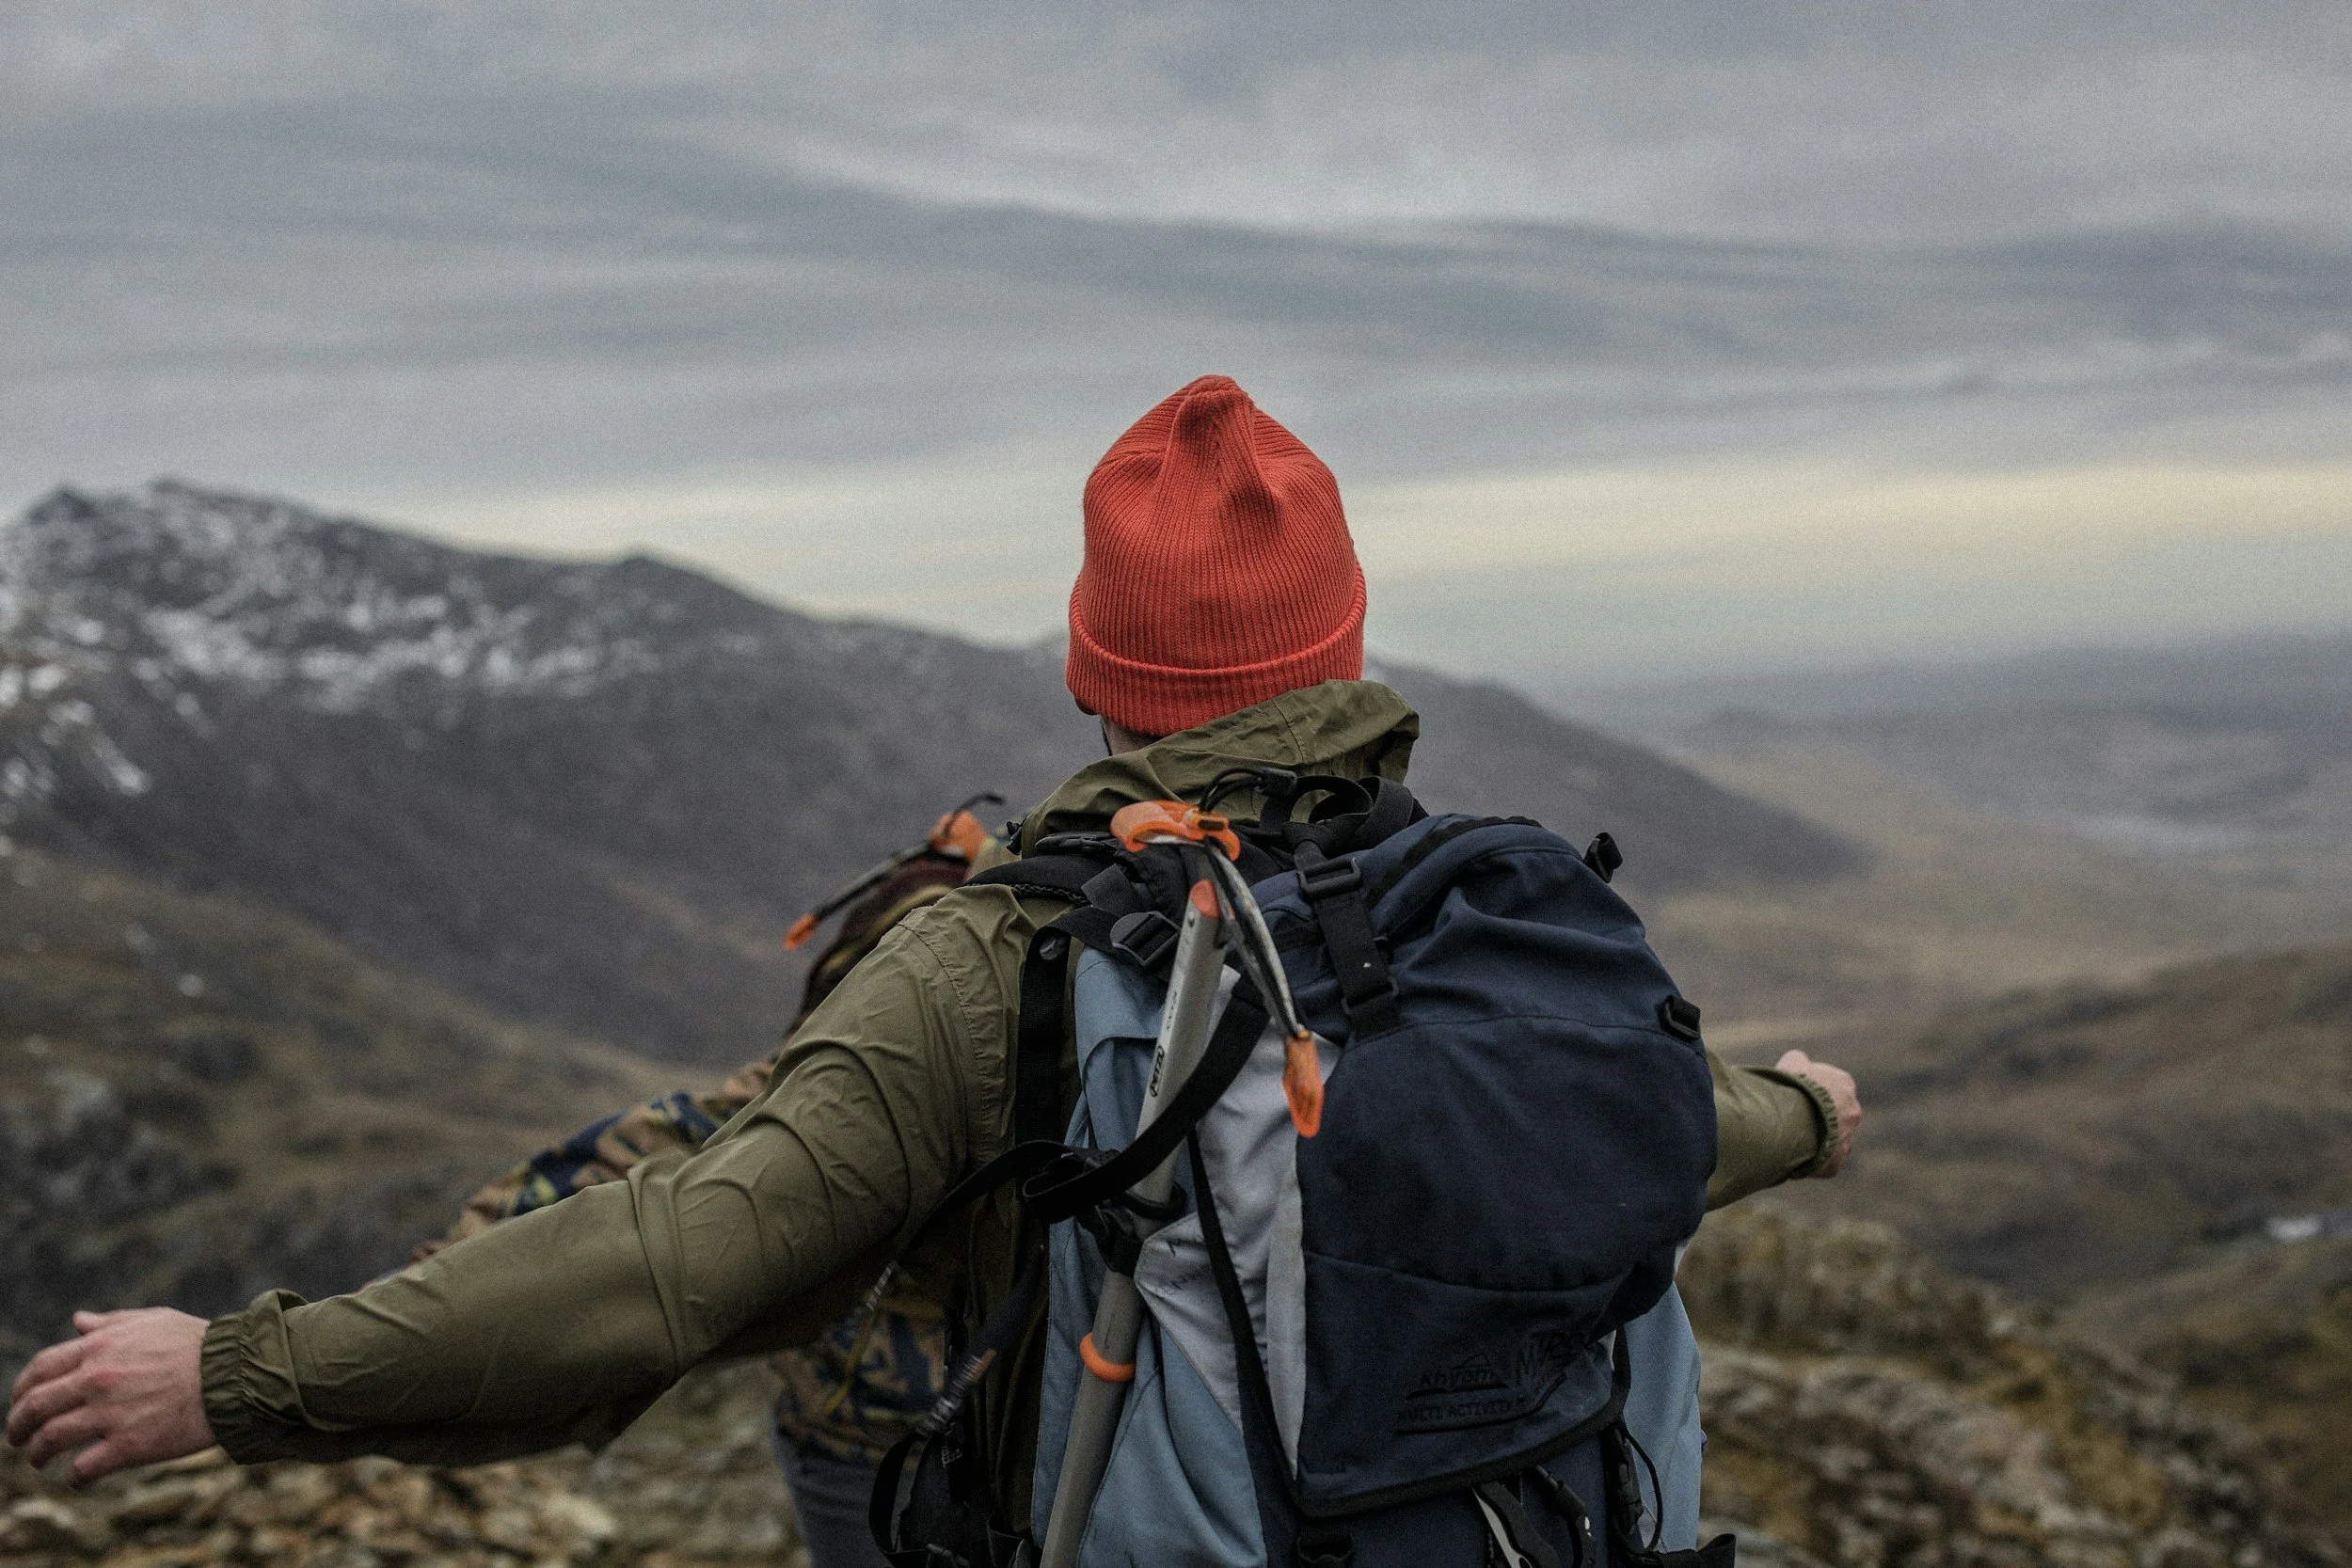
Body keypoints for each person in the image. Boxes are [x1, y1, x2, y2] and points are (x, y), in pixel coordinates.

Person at [8, 376, 1862, 1552]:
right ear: (1347, 646)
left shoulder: (1007, 950)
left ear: (1092, 672)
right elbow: (1656, 1120)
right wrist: (1799, 1106)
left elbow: (688, 1256)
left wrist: (237, 1373)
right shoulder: (1464, 903)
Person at [409, 800, 1005, 1568]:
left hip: (932, 1427)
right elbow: (659, 1147)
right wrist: (432, 1292)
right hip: (869, 1440)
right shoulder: (849, 1057)